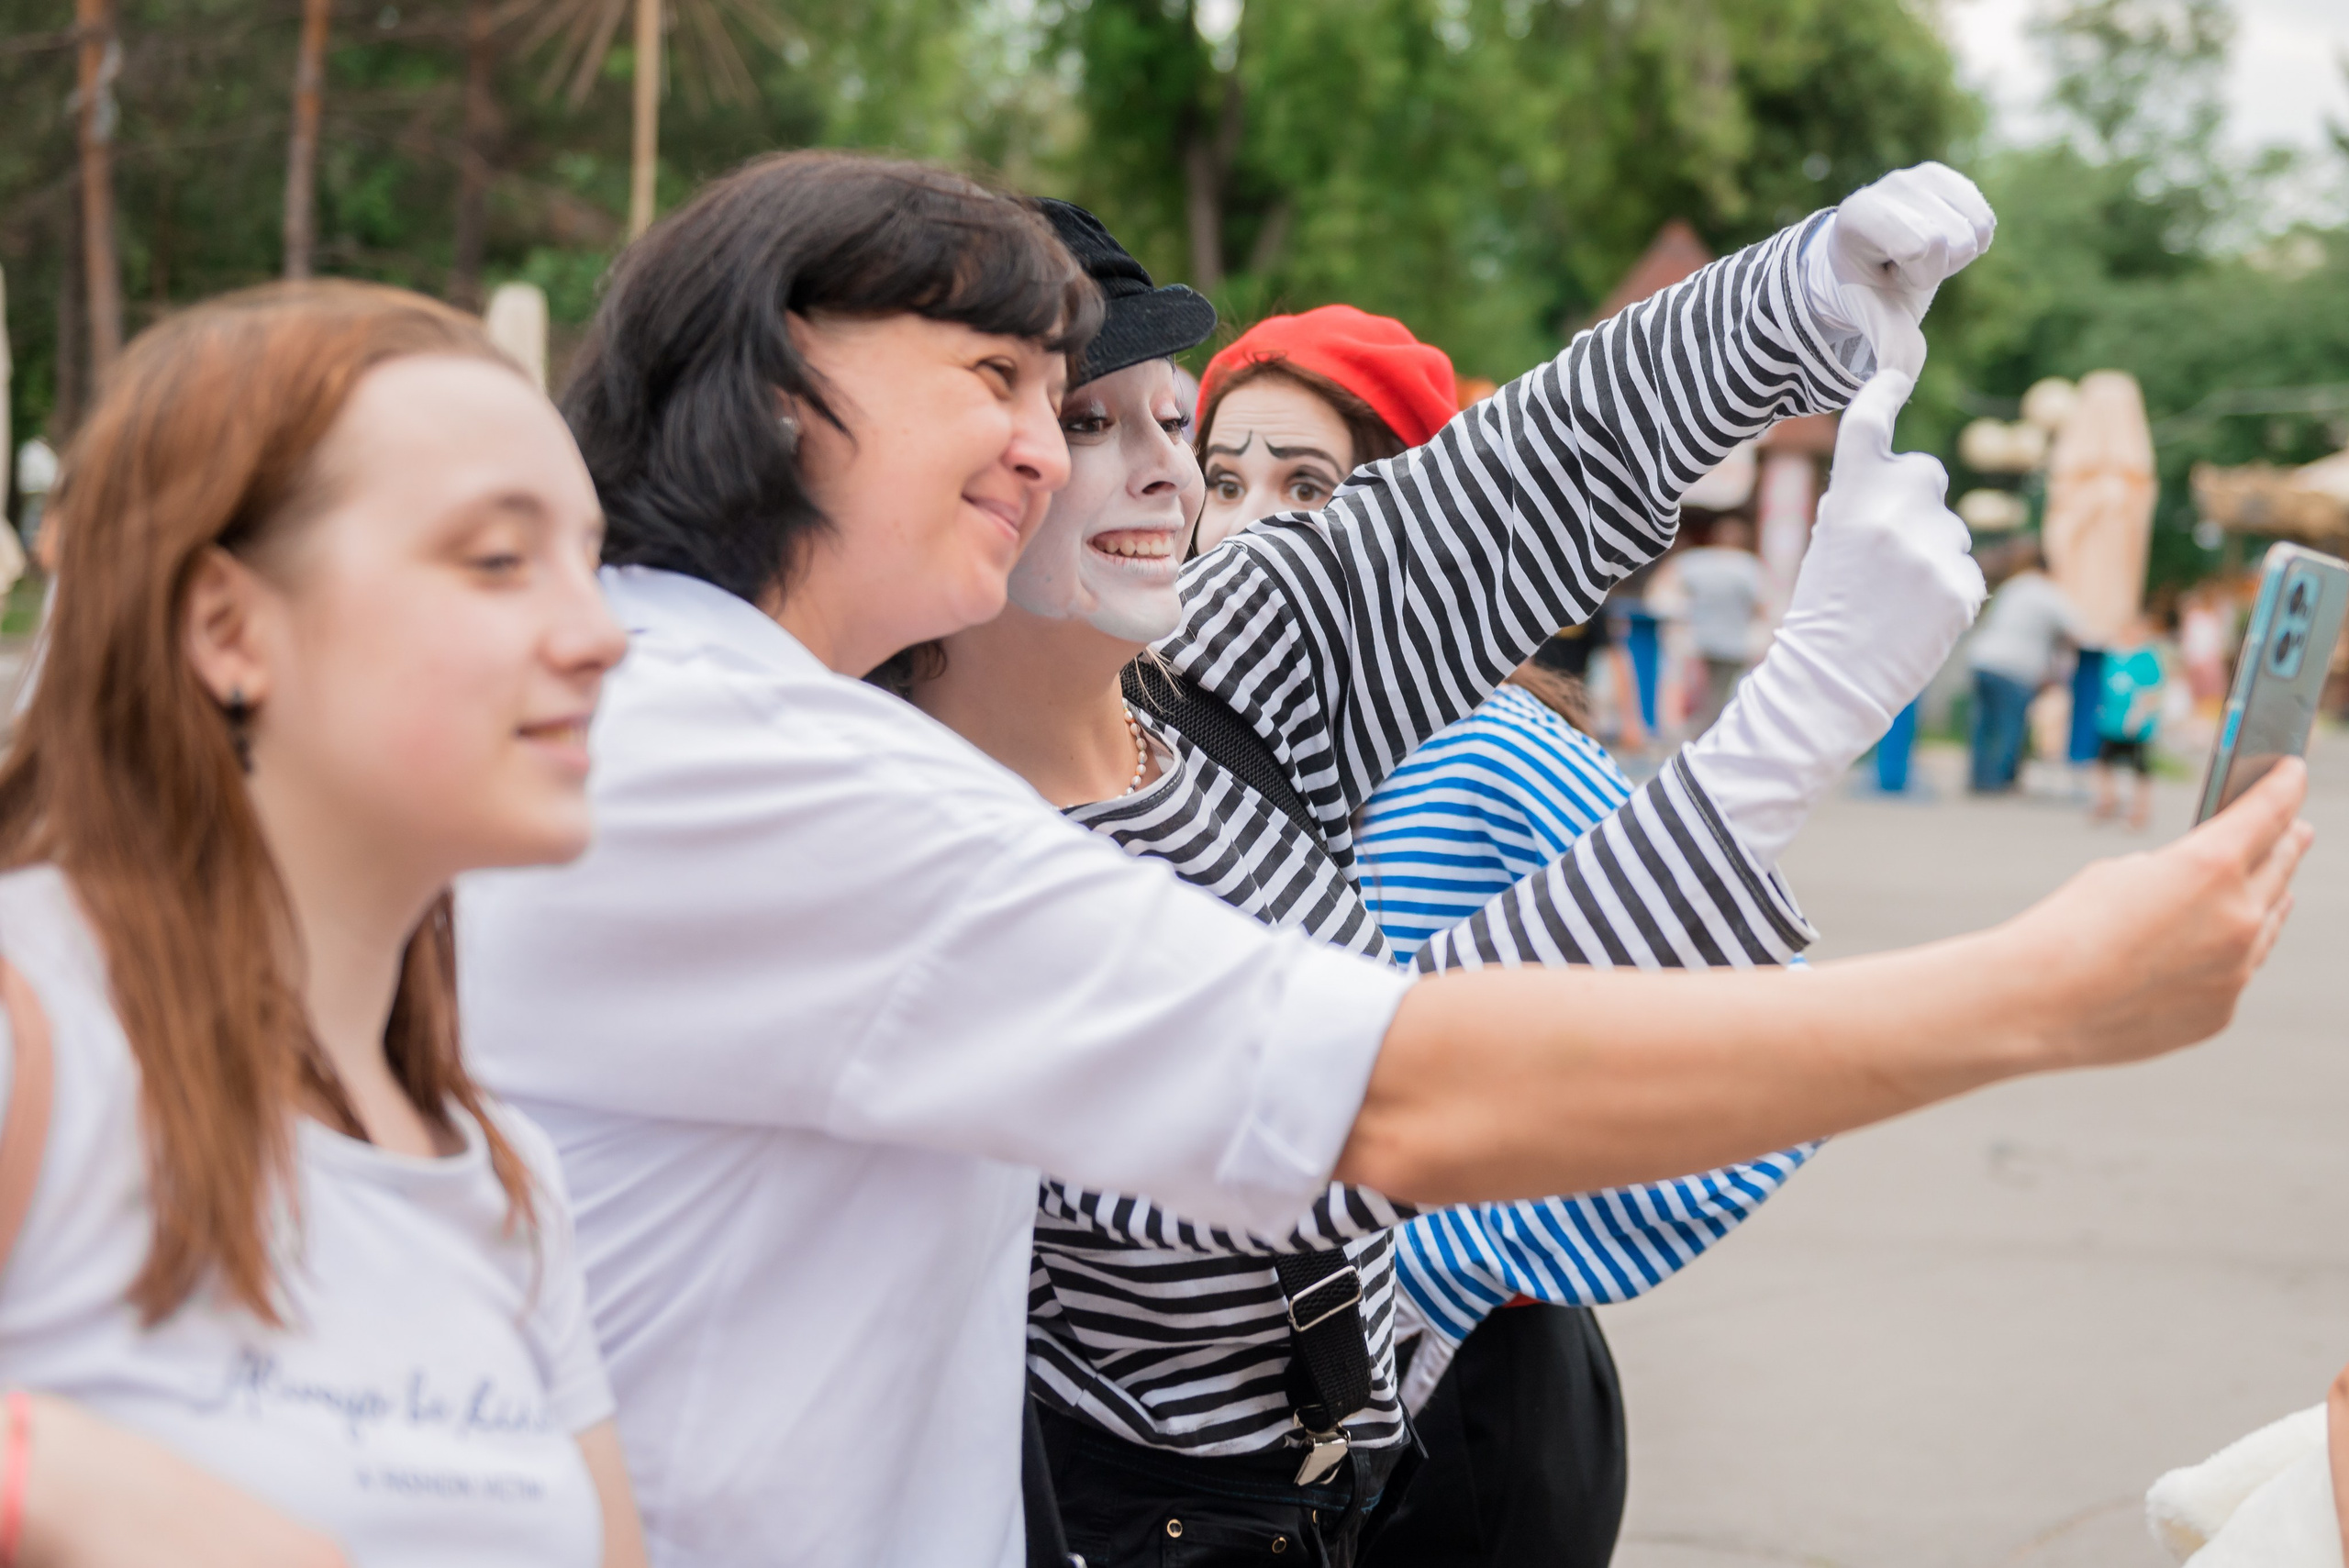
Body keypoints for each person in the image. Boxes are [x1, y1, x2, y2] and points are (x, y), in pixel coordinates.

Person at [456, 150, 2307, 1568]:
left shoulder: (1171, 671)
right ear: (781, 384)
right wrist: (1993, 946)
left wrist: (1802, 295)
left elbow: (1493, 489)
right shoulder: (801, 769)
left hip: (1356, 1468)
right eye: (1016, 390)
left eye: (1109, 404)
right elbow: (1346, 1097)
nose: (1073, 452)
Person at [0, 283, 645, 1565]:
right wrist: (59, 1484)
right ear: (230, 627)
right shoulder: (37, 1022)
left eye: (590, 557)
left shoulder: (503, 1171)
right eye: (498, 560)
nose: (600, 635)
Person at [1187, 302, 1798, 1566]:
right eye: (1224, 476)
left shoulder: (1493, 747)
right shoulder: (1175, 748)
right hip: (1249, 1419)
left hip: (1467, 1404)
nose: (1250, 519)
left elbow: (1763, 1031)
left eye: (1309, 485)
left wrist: (1443, 1268)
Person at [1967, 539, 2090, 793]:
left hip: (1983, 659)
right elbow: (2077, 629)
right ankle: (2000, 782)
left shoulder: (2012, 587)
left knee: (1984, 724)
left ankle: (1979, 779)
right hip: (2016, 667)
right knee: (2010, 726)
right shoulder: (2046, 592)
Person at [1669, 513, 1767, 735]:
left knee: (1704, 691)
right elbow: (1761, 607)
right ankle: (1709, 733)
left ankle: (1701, 730)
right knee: (1723, 692)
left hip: (1701, 638)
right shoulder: (1748, 567)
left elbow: (1670, 587)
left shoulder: (1696, 561)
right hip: (1733, 641)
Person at [2093, 610, 2167, 829]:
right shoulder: (2114, 656)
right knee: (2104, 762)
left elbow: (2152, 691)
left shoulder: (2147, 658)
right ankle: (2108, 800)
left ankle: (2140, 810)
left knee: (2140, 768)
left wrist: (2138, 716)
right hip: (2112, 721)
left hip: (2137, 724)